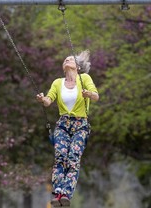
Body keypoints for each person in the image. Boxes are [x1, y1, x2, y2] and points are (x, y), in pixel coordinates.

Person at [36, 50, 99, 207]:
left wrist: (88, 94)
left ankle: (66, 193)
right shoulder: (57, 82)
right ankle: (58, 193)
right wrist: (43, 99)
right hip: (63, 125)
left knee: (73, 157)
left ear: (77, 66)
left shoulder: (84, 78)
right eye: (64, 60)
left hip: (80, 125)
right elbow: (49, 101)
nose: (66, 61)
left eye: (69, 59)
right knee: (60, 156)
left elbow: (96, 96)